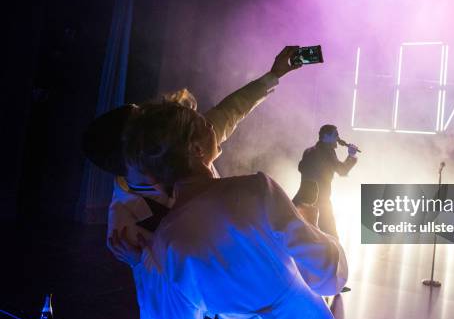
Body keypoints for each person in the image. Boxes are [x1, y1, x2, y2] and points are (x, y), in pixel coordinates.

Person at [110, 101, 348, 319]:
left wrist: (142, 265)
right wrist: (310, 224)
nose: (213, 127)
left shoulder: (168, 238)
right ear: (196, 149)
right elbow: (327, 273)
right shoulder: (256, 188)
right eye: (205, 124)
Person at [82, 46, 302, 251]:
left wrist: (274, 75)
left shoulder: (185, 141)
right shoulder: (124, 224)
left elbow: (231, 110)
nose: (155, 115)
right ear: (133, 150)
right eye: (144, 120)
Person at [295, 125, 358, 239]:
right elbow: (342, 171)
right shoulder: (327, 153)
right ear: (325, 136)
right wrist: (351, 155)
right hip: (321, 202)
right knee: (332, 237)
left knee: (302, 236)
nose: (338, 138)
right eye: (335, 135)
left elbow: (301, 168)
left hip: (303, 200)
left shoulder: (309, 151)